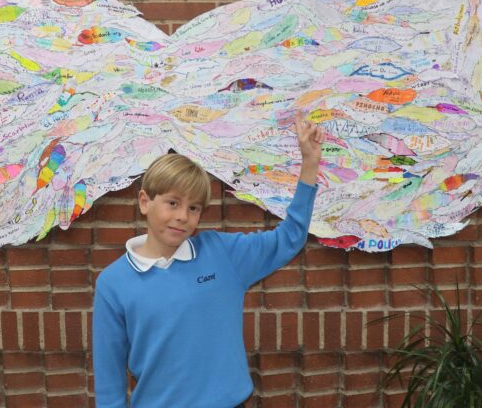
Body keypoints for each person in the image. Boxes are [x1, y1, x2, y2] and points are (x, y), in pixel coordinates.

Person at [92, 112, 323, 408]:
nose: (182, 216)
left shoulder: (221, 254)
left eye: (194, 208)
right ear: (145, 202)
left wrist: (310, 163)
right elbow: (109, 387)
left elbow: (290, 237)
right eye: (173, 203)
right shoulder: (113, 283)